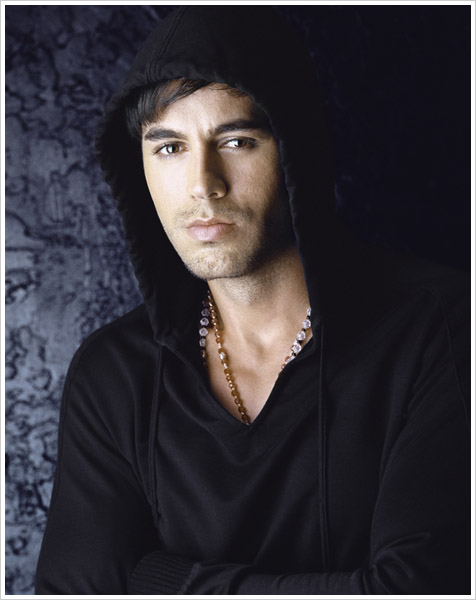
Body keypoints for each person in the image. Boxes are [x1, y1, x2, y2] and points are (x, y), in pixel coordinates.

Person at [35, 6, 470, 595]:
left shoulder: (440, 328)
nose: (203, 184)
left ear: (295, 151)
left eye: (237, 141)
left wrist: (158, 580)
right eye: (169, 148)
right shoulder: (114, 373)